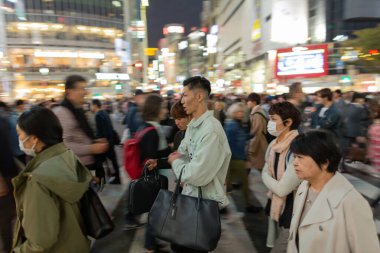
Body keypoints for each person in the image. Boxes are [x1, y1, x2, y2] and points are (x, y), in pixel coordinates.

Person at [12, 106, 93, 252]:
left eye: (20, 134)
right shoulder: (67, 156)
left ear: (35, 138)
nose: (19, 139)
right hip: (77, 243)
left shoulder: (37, 179)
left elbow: (40, 241)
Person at [287, 130, 380, 253]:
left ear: (325, 162)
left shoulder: (352, 203)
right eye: (294, 157)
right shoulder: (304, 186)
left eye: (300, 157)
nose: (294, 163)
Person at [168, 76, 231, 253]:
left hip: (203, 205)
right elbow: (181, 151)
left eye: (185, 95)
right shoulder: (195, 126)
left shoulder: (211, 130)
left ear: (199, 96)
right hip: (190, 198)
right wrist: (180, 162)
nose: (182, 100)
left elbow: (196, 175)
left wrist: (176, 163)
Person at [261, 101, 302, 252]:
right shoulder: (273, 144)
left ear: (288, 122)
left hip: (294, 207)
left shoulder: (297, 147)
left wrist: (264, 175)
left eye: (273, 119)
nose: (269, 123)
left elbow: (282, 188)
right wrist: (266, 175)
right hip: (275, 203)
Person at [53, 75, 108, 181]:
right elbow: (63, 146)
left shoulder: (77, 110)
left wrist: (94, 141)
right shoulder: (63, 112)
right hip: (75, 170)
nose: (85, 92)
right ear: (69, 92)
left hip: (84, 167)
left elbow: (79, 135)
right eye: (82, 88)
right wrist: (91, 148)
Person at [224, 102, 261, 213]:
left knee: (235, 183)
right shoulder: (232, 125)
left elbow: (242, 138)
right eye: (237, 112)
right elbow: (229, 143)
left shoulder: (237, 124)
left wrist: (252, 133)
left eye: (241, 112)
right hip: (233, 159)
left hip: (236, 158)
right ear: (233, 113)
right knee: (236, 183)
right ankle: (246, 206)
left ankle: (245, 205)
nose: (240, 114)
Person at [0, 113, 18, 253]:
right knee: (6, 217)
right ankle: (9, 248)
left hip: (10, 173)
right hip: (3, 178)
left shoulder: (3, 118)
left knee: (14, 213)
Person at [91, 99, 121, 184]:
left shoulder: (98, 115)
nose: (90, 107)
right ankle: (117, 177)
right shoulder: (105, 113)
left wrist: (97, 140)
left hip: (105, 142)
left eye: (91, 105)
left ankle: (101, 179)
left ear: (95, 105)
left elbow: (101, 132)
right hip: (110, 140)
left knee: (98, 162)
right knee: (113, 160)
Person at [246, 92, 268, 171]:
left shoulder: (256, 114)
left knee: (260, 166)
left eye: (248, 101)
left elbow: (257, 131)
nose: (247, 103)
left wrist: (252, 147)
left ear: (254, 102)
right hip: (259, 142)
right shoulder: (257, 111)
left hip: (259, 143)